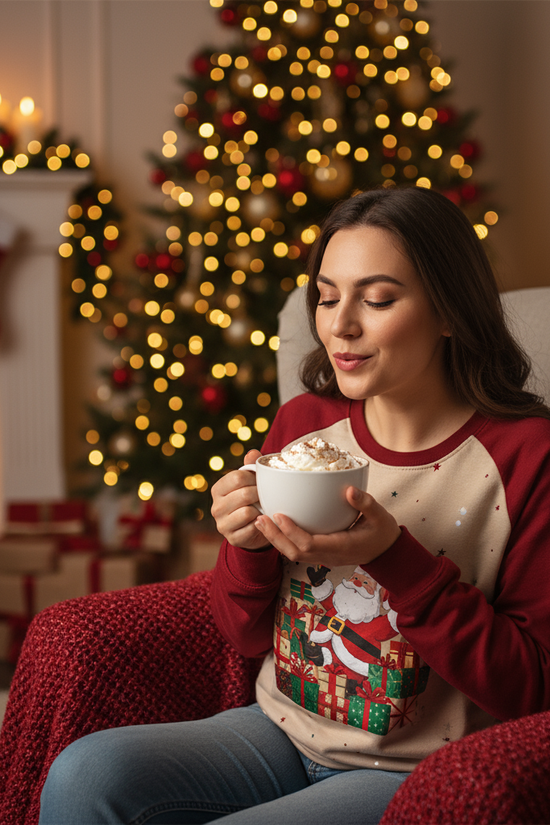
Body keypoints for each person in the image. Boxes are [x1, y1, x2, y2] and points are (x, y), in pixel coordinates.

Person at [38, 186, 550, 824]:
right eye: (328, 297)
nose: (341, 325)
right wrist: (246, 546)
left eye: (379, 298)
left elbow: (531, 686)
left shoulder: (526, 455)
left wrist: (395, 558)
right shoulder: (305, 423)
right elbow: (244, 633)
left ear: (450, 310)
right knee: (84, 773)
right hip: (278, 730)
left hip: (411, 770)